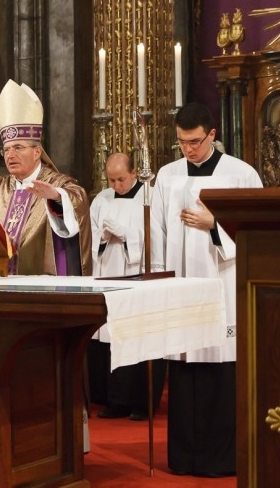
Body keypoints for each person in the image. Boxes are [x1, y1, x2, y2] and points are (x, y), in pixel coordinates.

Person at [150, 102, 262, 476]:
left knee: (220, 368)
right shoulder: (167, 176)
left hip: (223, 283)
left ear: (212, 135)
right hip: (181, 286)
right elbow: (156, 233)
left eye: (195, 142)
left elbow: (256, 229)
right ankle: (184, 458)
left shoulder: (241, 174)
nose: (188, 149)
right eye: (182, 142)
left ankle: (221, 459)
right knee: (184, 370)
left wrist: (215, 225)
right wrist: (159, 282)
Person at [0, 79, 92, 275]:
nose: (10, 155)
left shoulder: (56, 184)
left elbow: (78, 198)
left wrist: (57, 198)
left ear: (37, 152)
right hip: (0, 280)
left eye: (18, 147)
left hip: (42, 285)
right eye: (6, 150)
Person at [88, 153, 166, 421]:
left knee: (138, 335)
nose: (116, 185)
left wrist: (128, 236)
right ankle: (117, 401)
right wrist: (103, 237)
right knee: (114, 338)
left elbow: (158, 237)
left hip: (137, 275)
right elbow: (92, 236)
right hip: (110, 274)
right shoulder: (101, 199)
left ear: (134, 173)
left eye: (121, 179)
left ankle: (143, 403)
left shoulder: (150, 197)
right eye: (111, 180)